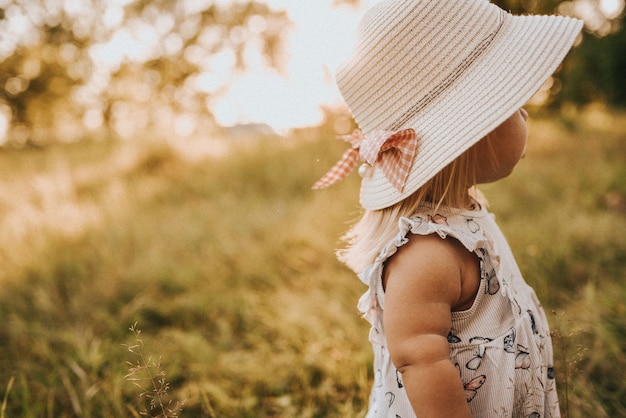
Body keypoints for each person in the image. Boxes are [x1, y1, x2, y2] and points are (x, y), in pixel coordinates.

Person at [312, 1, 583, 417]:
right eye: (513, 106)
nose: (525, 112)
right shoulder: (427, 255)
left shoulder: (465, 218)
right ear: (472, 135)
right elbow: (419, 360)